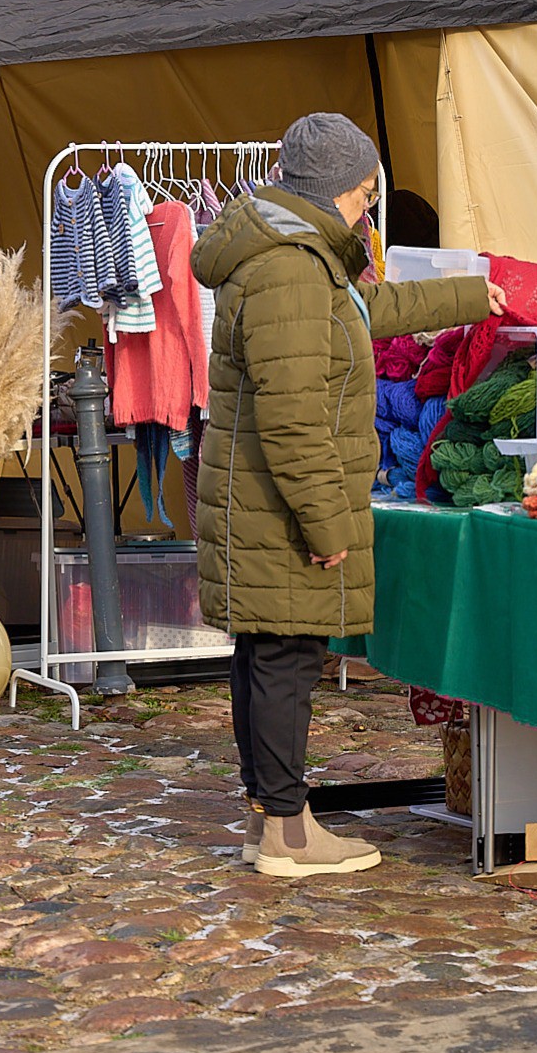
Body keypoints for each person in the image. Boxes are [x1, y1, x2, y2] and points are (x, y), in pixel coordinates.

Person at [193, 112, 503, 878]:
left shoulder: (294, 258)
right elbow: (292, 416)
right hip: (276, 505)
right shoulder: (289, 270)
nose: (368, 209)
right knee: (282, 660)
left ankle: (277, 818)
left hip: (263, 500)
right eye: (365, 194)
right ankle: (288, 836)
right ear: (333, 191)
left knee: (270, 655)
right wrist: (328, 522)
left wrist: (474, 295)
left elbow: (367, 316)